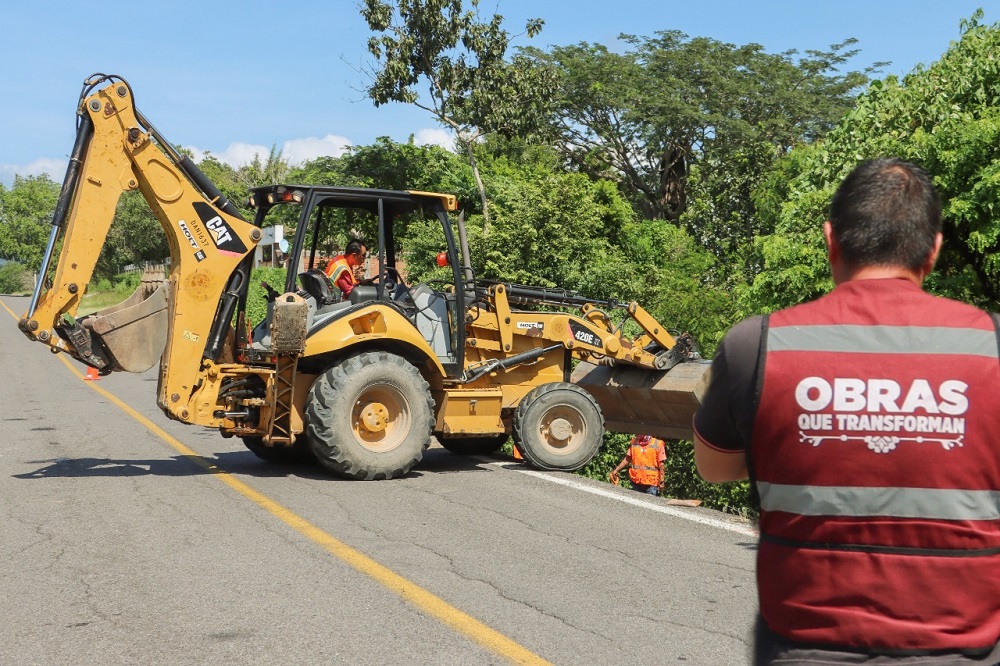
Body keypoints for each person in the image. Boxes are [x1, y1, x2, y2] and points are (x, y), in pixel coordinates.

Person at [693, 157, 1000, 664]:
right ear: (935, 250)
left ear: (830, 240)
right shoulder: (990, 346)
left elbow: (714, 466)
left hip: (803, 649)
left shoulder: (758, 344)